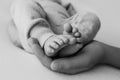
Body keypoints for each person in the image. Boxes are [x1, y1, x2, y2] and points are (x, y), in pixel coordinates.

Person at [8, 0, 100, 57]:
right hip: (36, 33)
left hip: (64, 29)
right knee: (20, 3)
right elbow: (14, 25)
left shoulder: (62, 3)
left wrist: (75, 26)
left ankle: (72, 41)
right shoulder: (28, 3)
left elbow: (74, 15)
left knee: (92, 17)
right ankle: (45, 38)